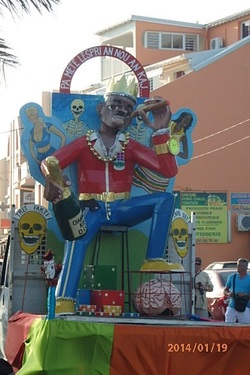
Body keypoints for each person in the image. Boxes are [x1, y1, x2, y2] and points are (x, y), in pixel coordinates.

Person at [41, 91, 179, 313]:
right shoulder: (85, 143)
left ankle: (153, 258)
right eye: (116, 104)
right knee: (75, 239)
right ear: (100, 110)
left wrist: (160, 131)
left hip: (122, 208)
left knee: (165, 199)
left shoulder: (129, 146)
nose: (122, 110)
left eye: (127, 107)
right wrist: (54, 177)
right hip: (91, 208)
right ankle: (64, 300)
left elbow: (168, 170)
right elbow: (50, 161)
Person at [224, 258, 250, 323]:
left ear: (245, 267)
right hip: (232, 305)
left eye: (240, 266)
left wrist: (245, 294)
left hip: (245, 306)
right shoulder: (232, 277)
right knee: (228, 326)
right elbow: (225, 290)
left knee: (244, 327)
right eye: (238, 265)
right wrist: (229, 293)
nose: (238, 267)